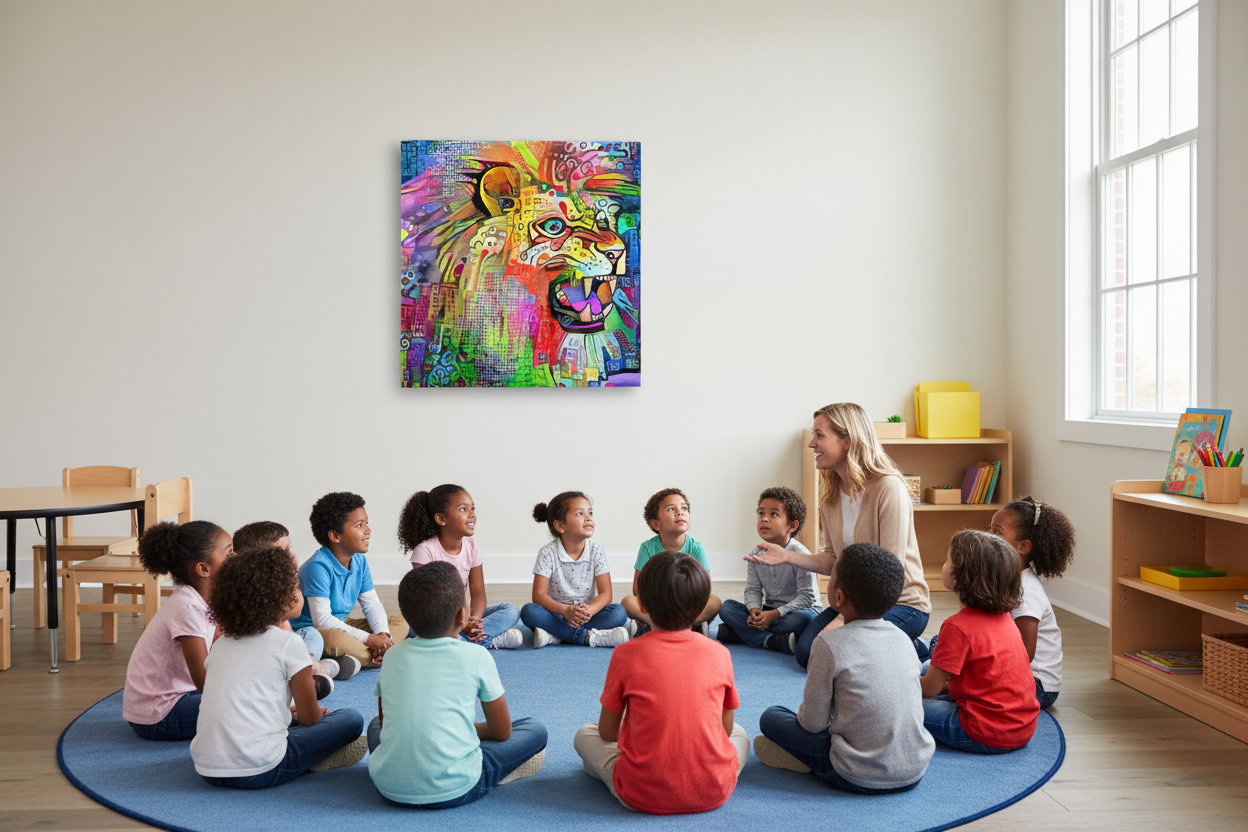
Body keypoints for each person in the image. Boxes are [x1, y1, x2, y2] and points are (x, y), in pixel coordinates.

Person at [745, 403, 931, 666]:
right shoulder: (831, 496)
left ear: (847, 441)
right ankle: (904, 648)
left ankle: (912, 649)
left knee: (836, 655)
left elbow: (890, 571)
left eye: (820, 435)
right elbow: (833, 560)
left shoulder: (888, 488)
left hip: (899, 603)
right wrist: (786, 555)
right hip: (853, 602)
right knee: (807, 653)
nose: (812, 444)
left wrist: (841, 621)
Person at [574, 552, 749, 815]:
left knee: (585, 734)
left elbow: (608, 734)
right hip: (714, 790)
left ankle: (605, 769)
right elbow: (724, 730)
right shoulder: (720, 653)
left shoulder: (625, 654)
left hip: (640, 793)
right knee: (740, 734)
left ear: (641, 605)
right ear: (703, 609)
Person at [754, 543, 934, 793]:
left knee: (771, 717)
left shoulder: (829, 643)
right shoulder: (904, 639)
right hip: (914, 770)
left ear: (838, 597)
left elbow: (812, 724)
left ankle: (808, 763)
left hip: (856, 774)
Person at [367, 562, 547, 808]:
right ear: (463, 616)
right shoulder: (477, 656)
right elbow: (502, 731)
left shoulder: (392, 656)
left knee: (375, 728)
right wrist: (461, 728)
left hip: (389, 788)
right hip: (457, 788)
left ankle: (430, 750)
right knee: (534, 729)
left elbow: (383, 722)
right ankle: (489, 766)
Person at [192, 546, 367, 788]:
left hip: (206, 769)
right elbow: (308, 718)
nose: (300, 593)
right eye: (296, 587)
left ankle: (307, 752)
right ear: (279, 598)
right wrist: (317, 715)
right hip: (260, 769)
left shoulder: (222, 643)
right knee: (351, 719)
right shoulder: (289, 643)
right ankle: (314, 759)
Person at [921, 530, 1040, 754]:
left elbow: (928, 689)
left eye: (947, 560)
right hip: (1022, 728)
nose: (944, 565)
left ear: (960, 576)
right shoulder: (1005, 617)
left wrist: (895, 685)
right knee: (927, 668)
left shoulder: (957, 627)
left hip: (984, 732)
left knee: (898, 704)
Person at [122, 521, 231, 740]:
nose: (236, 558)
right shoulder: (188, 608)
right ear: (203, 568)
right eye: (229, 554)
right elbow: (205, 683)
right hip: (160, 716)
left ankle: (280, 714)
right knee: (243, 701)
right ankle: (284, 717)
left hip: (176, 699)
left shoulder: (198, 600)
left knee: (249, 695)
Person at [233, 520, 359, 687]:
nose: (294, 556)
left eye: (290, 549)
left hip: (283, 647)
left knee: (311, 634)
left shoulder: (281, 584)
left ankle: (314, 667)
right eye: (285, 550)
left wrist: (308, 656)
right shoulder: (248, 592)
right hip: (259, 654)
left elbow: (287, 630)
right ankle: (322, 670)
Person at [289, 492, 408, 668]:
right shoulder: (317, 567)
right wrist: (369, 639)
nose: (368, 530)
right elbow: (322, 621)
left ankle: (376, 652)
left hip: (344, 624)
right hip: (315, 631)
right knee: (336, 639)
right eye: (359, 525)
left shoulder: (359, 560)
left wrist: (382, 634)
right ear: (335, 536)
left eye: (366, 523)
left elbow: (372, 604)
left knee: (401, 621)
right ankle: (386, 654)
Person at [398, 484, 523, 649]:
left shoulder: (472, 547)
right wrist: (462, 625)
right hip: (436, 617)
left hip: (463, 616)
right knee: (411, 629)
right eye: (463, 509)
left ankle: (470, 639)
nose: (472, 514)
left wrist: (475, 621)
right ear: (441, 519)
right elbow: (431, 603)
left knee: (511, 609)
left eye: (472, 508)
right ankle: (486, 640)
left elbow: (478, 593)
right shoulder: (425, 551)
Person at [990, 496, 1075, 708]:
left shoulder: (1026, 592)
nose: (987, 536)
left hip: (1037, 685)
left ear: (1023, 546)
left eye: (996, 531)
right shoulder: (1007, 577)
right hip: (1018, 674)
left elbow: (1024, 655)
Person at [519, 490, 629, 648]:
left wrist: (589, 610)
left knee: (619, 612)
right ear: (560, 525)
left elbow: (606, 594)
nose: (589, 517)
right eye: (580, 513)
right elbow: (538, 595)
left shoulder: (597, 550)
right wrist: (565, 611)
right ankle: (588, 637)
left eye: (590, 512)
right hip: (555, 614)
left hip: (586, 616)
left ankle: (556, 636)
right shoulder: (547, 552)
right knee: (529, 611)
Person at [717, 487, 820, 655]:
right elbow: (753, 589)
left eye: (773, 514)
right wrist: (754, 610)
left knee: (805, 620)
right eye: (761, 513)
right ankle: (771, 641)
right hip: (769, 610)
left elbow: (807, 598)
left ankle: (740, 634)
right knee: (727, 608)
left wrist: (775, 615)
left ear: (792, 525)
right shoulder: (755, 554)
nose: (764, 519)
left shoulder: (800, 554)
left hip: (797, 612)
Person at [621, 488, 721, 636]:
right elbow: (637, 590)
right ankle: (666, 624)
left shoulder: (696, 547)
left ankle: (672, 625)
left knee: (715, 602)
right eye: (670, 509)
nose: (680, 512)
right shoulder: (648, 547)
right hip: (657, 605)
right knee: (627, 602)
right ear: (656, 524)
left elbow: (705, 588)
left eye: (684, 508)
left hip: (686, 605)